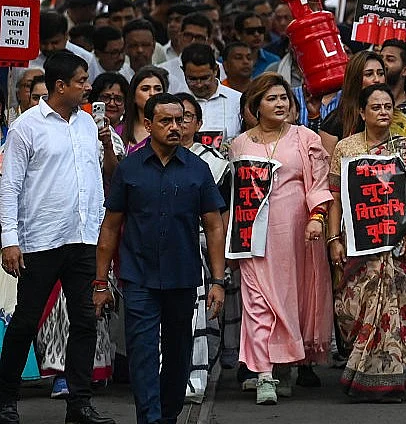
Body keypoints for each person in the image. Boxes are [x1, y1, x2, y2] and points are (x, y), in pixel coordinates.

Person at [93, 92, 227, 424]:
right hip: (138, 277)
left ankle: (168, 415)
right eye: (165, 121)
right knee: (143, 354)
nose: (174, 127)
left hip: (183, 277)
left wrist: (218, 281)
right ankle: (149, 419)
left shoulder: (198, 169)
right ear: (148, 124)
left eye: (180, 120)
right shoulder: (130, 169)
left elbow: (213, 226)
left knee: (179, 353)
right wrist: (100, 282)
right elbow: (110, 227)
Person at [0, 51, 114, 424]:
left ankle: (78, 404)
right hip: (40, 239)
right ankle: (5, 400)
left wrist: (98, 233)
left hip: (82, 238)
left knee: (85, 321)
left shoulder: (87, 125)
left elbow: (94, 180)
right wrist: (9, 239)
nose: (87, 86)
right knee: (25, 321)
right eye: (82, 80)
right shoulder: (26, 127)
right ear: (60, 85)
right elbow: (10, 186)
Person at [228, 74, 334, 405]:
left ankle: (283, 366)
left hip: (297, 233)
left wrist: (317, 217)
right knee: (258, 301)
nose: (281, 104)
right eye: (272, 99)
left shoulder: (305, 137)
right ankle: (263, 375)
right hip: (253, 235)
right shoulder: (240, 144)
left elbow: (318, 182)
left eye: (284, 98)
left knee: (290, 299)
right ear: (255, 106)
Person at [328, 84, 406, 402]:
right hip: (358, 245)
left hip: (397, 246)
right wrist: (334, 239)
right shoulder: (346, 149)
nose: (384, 112)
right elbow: (334, 197)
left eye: (389, 106)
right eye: (376, 107)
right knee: (351, 310)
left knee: (397, 307)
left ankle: (390, 380)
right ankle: (361, 368)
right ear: (361, 112)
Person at [175, 92, 232, 404]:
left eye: (186, 117)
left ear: (198, 122)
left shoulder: (214, 165)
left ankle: (195, 380)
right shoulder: (149, 159)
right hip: (163, 251)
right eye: (172, 117)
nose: (179, 124)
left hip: (201, 250)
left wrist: (219, 270)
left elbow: (219, 222)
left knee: (201, 318)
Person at [320, 51, 406, 156]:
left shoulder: (401, 121)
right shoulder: (334, 122)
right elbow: (328, 170)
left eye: (381, 74)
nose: (377, 79)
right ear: (355, 79)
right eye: (369, 74)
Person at [181, 44, 243, 147]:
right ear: (183, 71)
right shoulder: (175, 104)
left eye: (205, 78)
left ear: (215, 70)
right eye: (192, 79)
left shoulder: (237, 100)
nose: (199, 84)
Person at [119, 66, 169, 153]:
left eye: (158, 89)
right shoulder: (120, 131)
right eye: (145, 89)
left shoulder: (171, 129)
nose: (152, 93)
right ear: (133, 96)